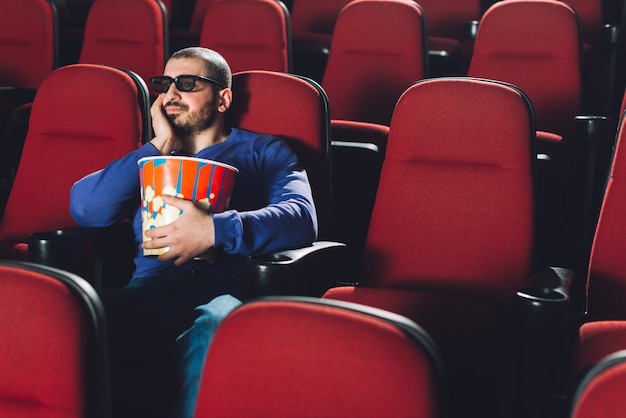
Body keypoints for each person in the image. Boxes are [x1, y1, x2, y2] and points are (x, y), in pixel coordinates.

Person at [69, 47, 317, 418]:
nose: (170, 94)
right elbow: (86, 209)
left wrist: (213, 230)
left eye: (187, 84)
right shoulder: (149, 157)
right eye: (165, 84)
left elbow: (300, 217)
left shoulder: (264, 150)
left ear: (223, 98)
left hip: (218, 293)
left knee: (218, 329)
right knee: (66, 315)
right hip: (144, 290)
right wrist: (160, 145)